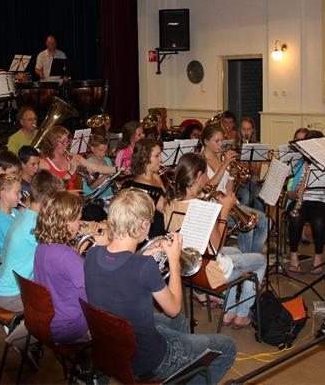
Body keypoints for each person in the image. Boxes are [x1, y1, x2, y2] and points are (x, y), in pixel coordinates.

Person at [84, 188, 237, 383]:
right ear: (143, 225)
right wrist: (174, 261)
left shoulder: (92, 254)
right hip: (147, 361)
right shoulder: (143, 267)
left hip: (113, 349)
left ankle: (181, 371)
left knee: (178, 322)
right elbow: (173, 308)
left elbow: (123, 271)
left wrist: (143, 257)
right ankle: (178, 367)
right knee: (227, 346)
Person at [165, 153, 266, 327]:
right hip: (208, 273)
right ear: (198, 175)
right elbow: (217, 247)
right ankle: (241, 315)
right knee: (261, 261)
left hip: (186, 266)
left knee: (236, 252)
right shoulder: (202, 207)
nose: (207, 178)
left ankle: (229, 312)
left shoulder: (170, 203)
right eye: (205, 174)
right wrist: (224, 211)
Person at [0, 170, 63, 312]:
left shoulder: (25, 215)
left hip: (8, 284)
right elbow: (57, 255)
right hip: (12, 294)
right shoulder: (33, 225)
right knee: (60, 302)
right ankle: (25, 324)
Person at [201, 124, 269, 254]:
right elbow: (208, 187)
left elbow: (229, 190)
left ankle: (253, 257)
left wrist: (231, 176)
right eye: (217, 141)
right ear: (206, 141)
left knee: (265, 221)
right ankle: (247, 259)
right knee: (246, 226)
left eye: (222, 140)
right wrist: (225, 165)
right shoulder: (200, 160)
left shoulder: (221, 157)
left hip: (227, 203)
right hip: (212, 206)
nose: (220, 144)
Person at [33, 190, 88, 343]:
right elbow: (95, 289)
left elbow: (65, 268)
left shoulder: (42, 246)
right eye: (78, 219)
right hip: (71, 326)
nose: (80, 223)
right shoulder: (67, 257)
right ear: (66, 223)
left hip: (49, 319)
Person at [285, 130, 325, 274]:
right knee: (296, 218)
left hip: (321, 201)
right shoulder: (298, 164)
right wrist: (294, 192)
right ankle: (293, 256)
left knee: (318, 221)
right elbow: (288, 192)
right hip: (300, 200)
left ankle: (318, 256)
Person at [38, 126, 116, 191]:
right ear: (53, 143)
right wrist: (70, 171)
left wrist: (117, 169)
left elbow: (96, 168)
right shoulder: (43, 163)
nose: (66, 145)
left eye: (67, 141)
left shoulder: (71, 157)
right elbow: (52, 189)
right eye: (63, 142)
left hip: (73, 199)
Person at [122, 138, 167, 238]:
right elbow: (167, 210)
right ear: (144, 159)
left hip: (164, 225)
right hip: (153, 233)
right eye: (157, 156)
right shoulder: (142, 185)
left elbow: (167, 201)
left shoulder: (156, 177)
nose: (161, 159)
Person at [237, 117, 264, 210]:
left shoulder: (258, 146)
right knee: (246, 197)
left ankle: (259, 218)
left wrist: (249, 167)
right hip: (239, 183)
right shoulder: (234, 146)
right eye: (243, 129)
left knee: (259, 196)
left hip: (253, 180)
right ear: (240, 130)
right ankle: (244, 218)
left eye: (249, 129)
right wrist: (240, 167)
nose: (246, 132)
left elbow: (257, 172)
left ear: (252, 130)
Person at [0, 150, 22, 218]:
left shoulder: (7, 187)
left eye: (17, 173)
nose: (16, 176)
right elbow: (6, 217)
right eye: (13, 173)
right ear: (1, 171)